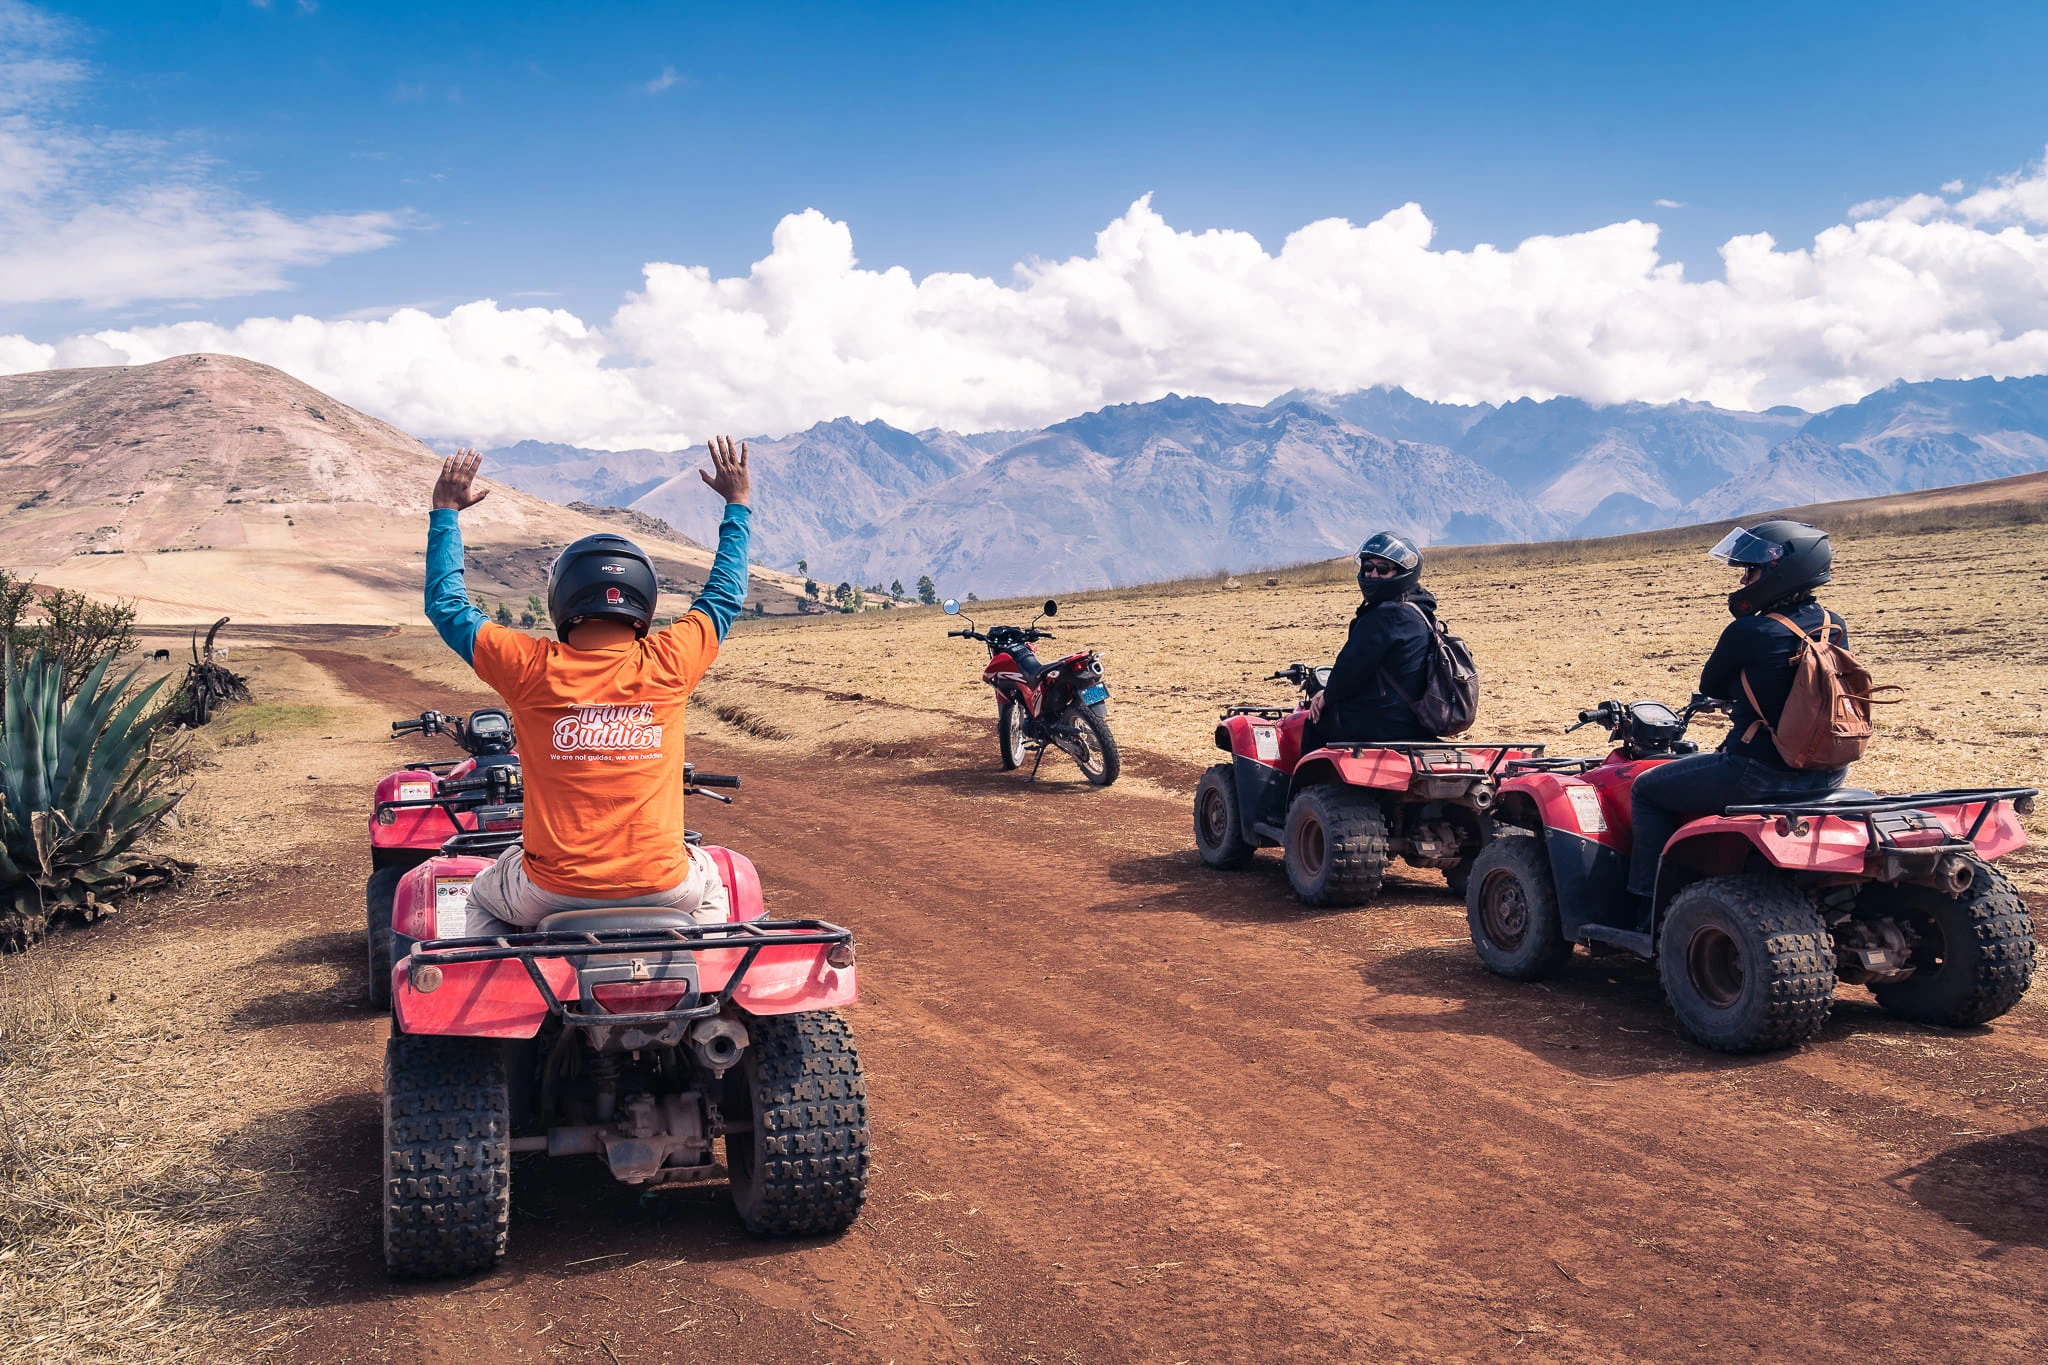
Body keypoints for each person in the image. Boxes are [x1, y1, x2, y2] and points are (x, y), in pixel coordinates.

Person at [423, 437, 753, 933]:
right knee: (712, 878)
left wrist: (445, 512)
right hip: (663, 885)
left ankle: (508, 999)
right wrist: (737, 504)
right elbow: (725, 594)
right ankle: (710, 972)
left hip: (552, 893)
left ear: (561, 599)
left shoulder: (529, 667)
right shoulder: (671, 661)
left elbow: (447, 605)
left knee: (481, 897)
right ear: (643, 601)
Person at [1625, 520, 1850, 914]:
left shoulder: (1751, 631)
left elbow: (1712, 685)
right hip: (1828, 771)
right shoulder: (1833, 625)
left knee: (1646, 789)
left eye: (1753, 569)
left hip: (1758, 771)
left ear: (1782, 571)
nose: (1746, 579)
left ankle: (1647, 903)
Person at [1303, 531, 1441, 749]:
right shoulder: (1420, 610)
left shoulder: (1385, 615)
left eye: (1383, 569)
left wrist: (1325, 697)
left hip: (1383, 722)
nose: (1373, 575)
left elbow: (1350, 670)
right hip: (1416, 719)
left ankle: (1304, 783)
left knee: (1313, 722)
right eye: (1368, 567)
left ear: (1403, 572)